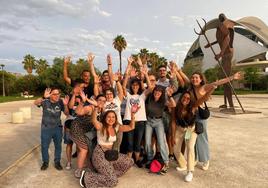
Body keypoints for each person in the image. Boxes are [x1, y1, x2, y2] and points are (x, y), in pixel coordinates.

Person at [189, 71, 242, 171]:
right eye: (192, 77)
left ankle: (205, 159)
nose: (194, 79)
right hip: (191, 116)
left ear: (201, 79)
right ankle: (195, 158)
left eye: (196, 77)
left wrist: (232, 77)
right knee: (192, 139)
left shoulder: (204, 87)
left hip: (200, 116)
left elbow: (217, 83)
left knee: (202, 138)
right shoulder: (190, 89)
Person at [79, 107, 137, 188]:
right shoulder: (101, 126)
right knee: (113, 181)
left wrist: (133, 115)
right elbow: (94, 120)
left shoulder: (116, 127)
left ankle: (109, 174)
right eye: (108, 117)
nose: (111, 119)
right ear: (105, 118)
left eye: (113, 117)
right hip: (99, 154)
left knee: (130, 161)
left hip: (110, 154)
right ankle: (87, 176)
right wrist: (96, 109)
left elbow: (131, 127)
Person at [171, 89, 215, 182]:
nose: (186, 99)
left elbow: (204, 98)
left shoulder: (193, 106)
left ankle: (190, 171)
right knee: (175, 149)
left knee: (190, 147)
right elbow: (173, 123)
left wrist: (212, 89)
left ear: (190, 100)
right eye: (184, 97)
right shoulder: (176, 107)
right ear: (181, 98)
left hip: (191, 130)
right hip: (180, 129)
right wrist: (173, 135)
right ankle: (183, 164)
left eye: (188, 98)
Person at [122, 56, 153, 167]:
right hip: (129, 121)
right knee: (129, 143)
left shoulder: (142, 96)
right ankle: (128, 162)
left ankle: (137, 160)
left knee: (137, 142)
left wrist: (145, 73)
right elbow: (123, 85)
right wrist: (129, 65)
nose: (135, 86)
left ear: (139, 86)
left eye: (137, 85)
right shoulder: (128, 95)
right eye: (133, 85)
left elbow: (150, 88)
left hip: (140, 122)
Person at [70, 93, 106, 178]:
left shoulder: (102, 110)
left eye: (103, 101)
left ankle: (83, 165)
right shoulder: (90, 107)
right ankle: (78, 170)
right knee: (84, 149)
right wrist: (82, 102)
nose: (101, 102)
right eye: (99, 100)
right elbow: (78, 112)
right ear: (96, 101)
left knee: (81, 148)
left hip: (86, 131)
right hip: (77, 128)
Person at [205, 13, 235, 111]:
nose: (219, 18)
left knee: (227, 80)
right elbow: (221, 39)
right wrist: (211, 44)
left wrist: (220, 54)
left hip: (227, 54)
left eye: (220, 17)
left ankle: (230, 105)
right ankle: (226, 104)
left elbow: (227, 38)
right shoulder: (223, 25)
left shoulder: (226, 24)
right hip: (225, 55)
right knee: (224, 79)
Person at [34, 88, 69, 171]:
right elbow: (35, 103)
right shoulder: (45, 101)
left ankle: (57, 162)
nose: (57, 96)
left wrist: (65, 105)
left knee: (58, 146)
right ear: (50, 95)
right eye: (54, 94)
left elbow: (67, 113)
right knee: (44, 146)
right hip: (46, 128)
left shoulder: (61, 102)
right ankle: (45, 162)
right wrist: (43, 97)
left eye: (58, 94)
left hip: (57, 128)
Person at [145, 85, 176, 173]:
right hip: (149, 121)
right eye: (156, 91)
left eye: (159, 91)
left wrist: (170, 95)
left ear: (162, 93)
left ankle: (166, 162)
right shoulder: (149, 98)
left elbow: (173, 104)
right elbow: (148, 89)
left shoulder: (163, 101)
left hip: (159, 122)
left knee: (161, 142)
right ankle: (150, 159)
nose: (157, 92)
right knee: (147, 142)